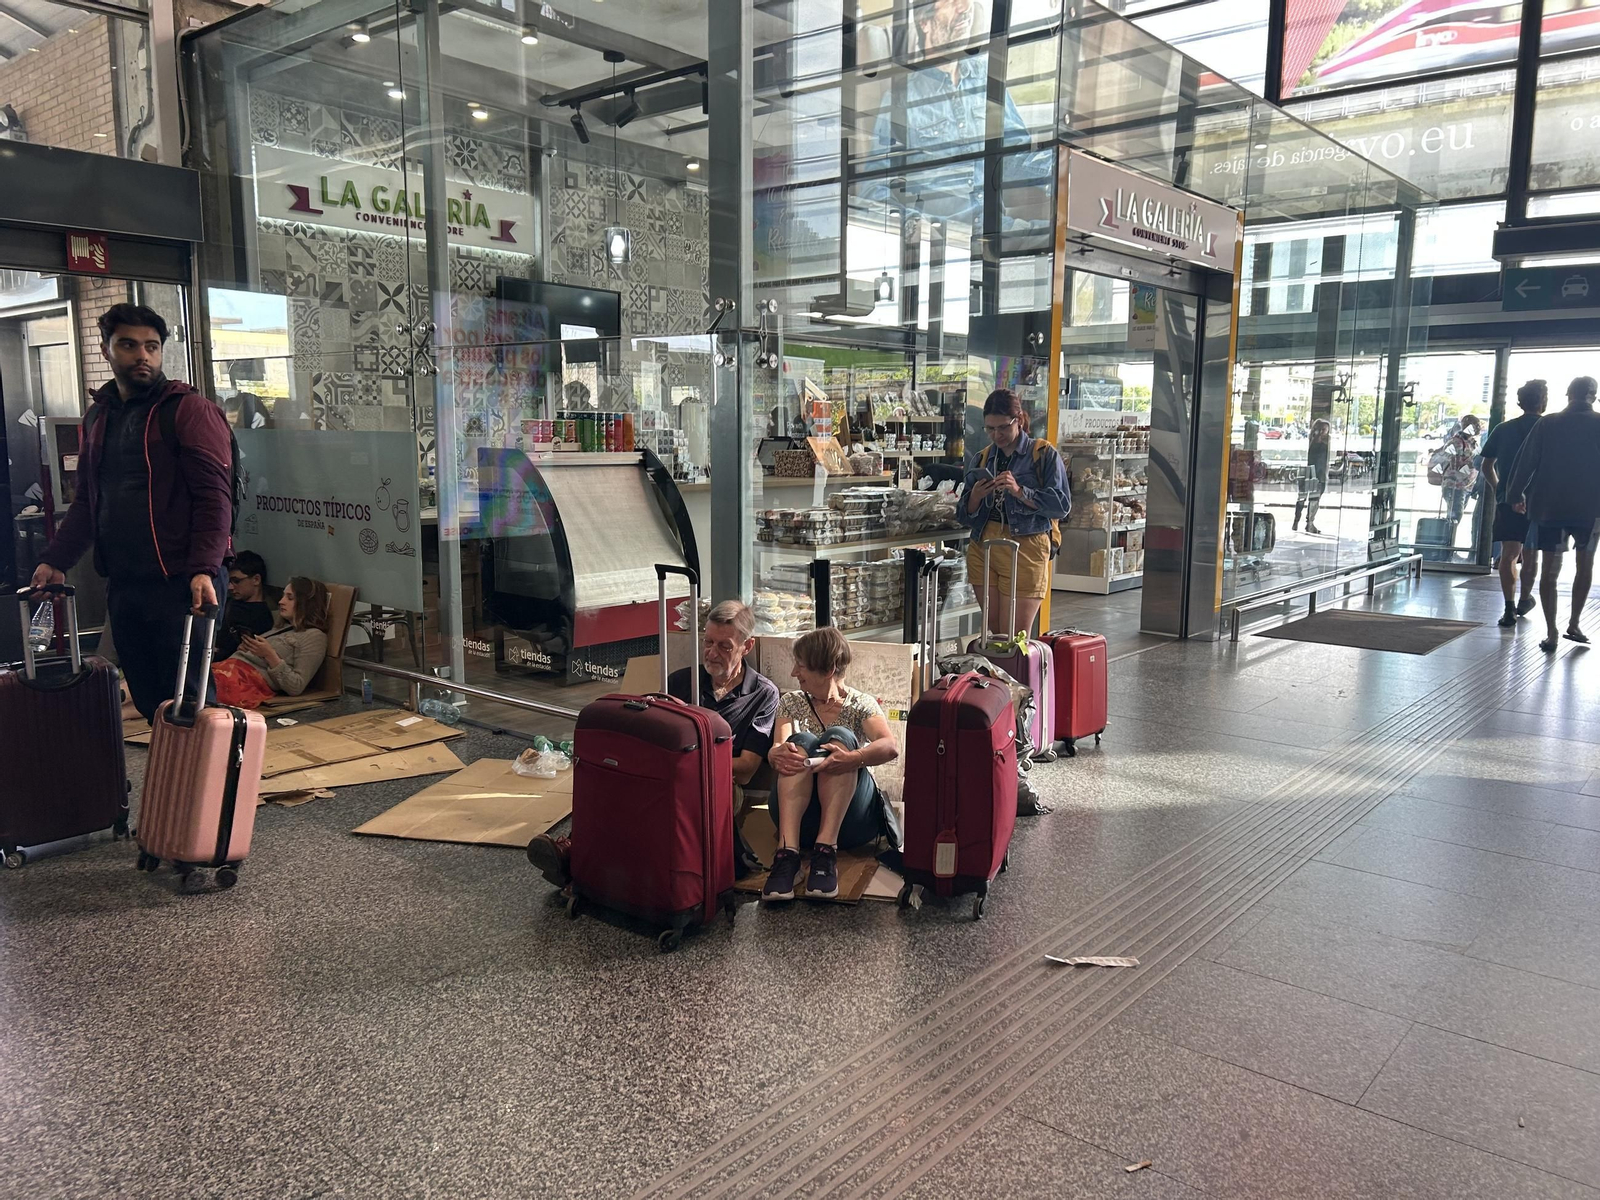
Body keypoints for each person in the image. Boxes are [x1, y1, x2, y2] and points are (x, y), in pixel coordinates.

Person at [30, 304, 233, 721]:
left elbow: (215, 500)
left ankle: (211, 785)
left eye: (152, 346)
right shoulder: (99, 417)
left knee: (190, 702)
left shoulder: (188, 411)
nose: (143, 355)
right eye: (129, 345)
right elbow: (88, 501)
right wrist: (56, 559)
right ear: (106, 351)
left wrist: (205, 569)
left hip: (183, 580)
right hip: (126, 581)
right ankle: (174, 784)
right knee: (148, 698)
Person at [527, 600, 781, 889]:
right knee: (616, 777)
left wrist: (686, 764)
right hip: (668, 770)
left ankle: (576, 859)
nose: (711, 653)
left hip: (719, 782)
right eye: (708, 642)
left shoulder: (763, 694)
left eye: (725, 647)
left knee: (668, 795)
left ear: (747, 647)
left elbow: (746, 768)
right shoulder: (682, 681)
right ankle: (576, 850)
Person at [763, 627, 900, 903]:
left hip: (850, 820)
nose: (793, 673)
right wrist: (774, 754)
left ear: (827, 671)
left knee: (841, 738)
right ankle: (787, 854)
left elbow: (890, 746)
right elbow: (779, 745)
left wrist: (853, 758)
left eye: (800, 666)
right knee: (798, 739)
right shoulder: (791, 701)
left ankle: (826, 852)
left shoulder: (861, 705)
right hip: (798, 818)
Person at [959, 389, 1070, 636]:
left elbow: (1061, 505)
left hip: (1026, 547)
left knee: (1015, 636)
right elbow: (963, 516)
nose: (996, 435)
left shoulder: (1043, 454)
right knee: (995, 634)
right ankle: (995, 676)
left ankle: (1017, 675)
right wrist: (975, 497)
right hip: (983, 546)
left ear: (1018, 420)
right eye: (989, 429)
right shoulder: (982, 458)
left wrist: (1020, 492)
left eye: (1002, 427)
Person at [1506, 375, 1600, 652]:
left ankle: (1552, 632)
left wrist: (1514, 496)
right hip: (1590, 511)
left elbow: (1525, 463)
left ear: (1568, 394)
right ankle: (1574, 623)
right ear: (1593, 396)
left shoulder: (1548, 423)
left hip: (1550, 509)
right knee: (1585, 567)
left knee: (1550, 571)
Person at [1480, 381, 1548, 628]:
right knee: (1531, 554)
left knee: (1509, 554)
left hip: (1508, 500)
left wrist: (1500, 488)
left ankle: (1508, 608)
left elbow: (1487, 465)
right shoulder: (1549, 428)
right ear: (1543, 401)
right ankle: (1524, 598)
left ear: (1520, 402)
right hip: (1540, 501)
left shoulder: (1502, 429)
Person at [211, 576, 330, 707]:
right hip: (229, 669)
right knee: (192, 675)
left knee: (201, 687)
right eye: (283, 596)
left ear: (306, 603)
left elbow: (296, 686)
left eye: (290, 598)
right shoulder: (282, 628)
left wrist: (269, 655)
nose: (281, 601)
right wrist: (247, 649)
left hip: (245, 681)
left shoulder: (314, 636)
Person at [217, 550, 278, 660]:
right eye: (229, 581)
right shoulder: (227, 602)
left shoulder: (261, 617)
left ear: (256, 579)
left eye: (237, 581)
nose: (230, 587)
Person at [1294, 419, 1332, 535]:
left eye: (1324, 430)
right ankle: (1307, 523)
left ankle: (1300, 522)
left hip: (1311, 473)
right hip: (1316, 474)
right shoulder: (1319, 443)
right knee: (1312, 499)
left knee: (1306, 498)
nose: (1323, 432)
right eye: (1321, 429)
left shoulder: (1314, 441)